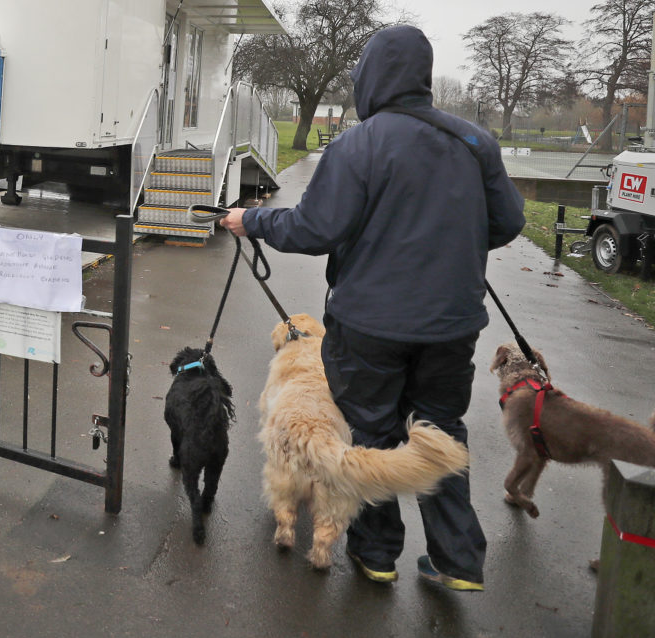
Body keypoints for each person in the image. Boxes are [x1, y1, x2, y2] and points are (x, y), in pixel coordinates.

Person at [221, 25, 526, 591]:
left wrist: (251, 220)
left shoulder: (357, 145)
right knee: (441, 427)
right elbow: (507, 222)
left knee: (374, 427)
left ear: (370, 77)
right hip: (451, 325)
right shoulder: (475, 143)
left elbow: (315, 228)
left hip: (370, 325)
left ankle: (376, 553)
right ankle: (458, 560)